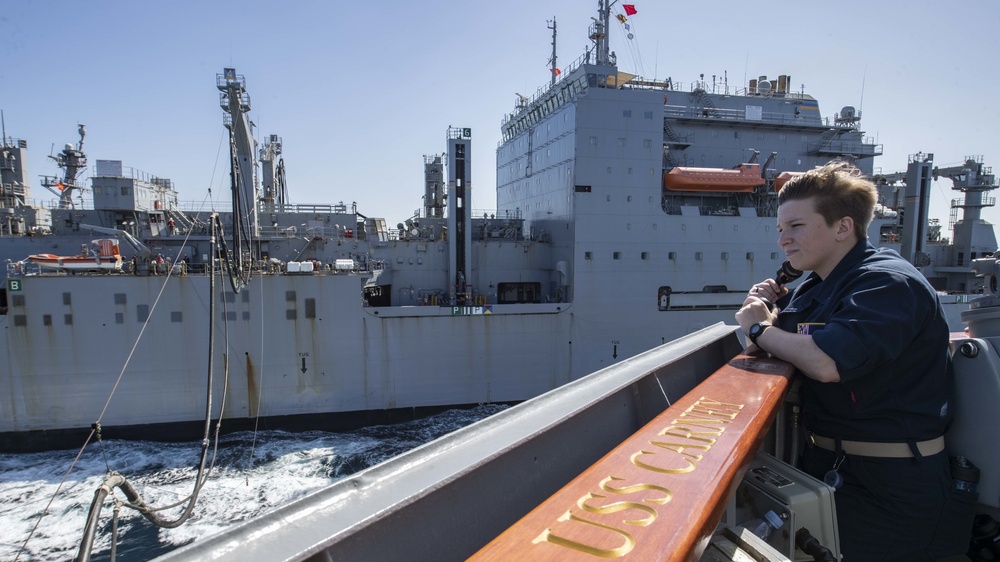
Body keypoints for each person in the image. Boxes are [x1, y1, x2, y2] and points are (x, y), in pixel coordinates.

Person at [735, 161, 971, 560]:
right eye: (781, 229)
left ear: (843, 228)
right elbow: (780, 344)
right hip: (830, 466)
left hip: (892, 485)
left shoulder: (888, 283)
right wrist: (764, 314)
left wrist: (760, 328)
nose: (783, 241)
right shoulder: (815, 284)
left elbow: (826, 362)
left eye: (796, 226)